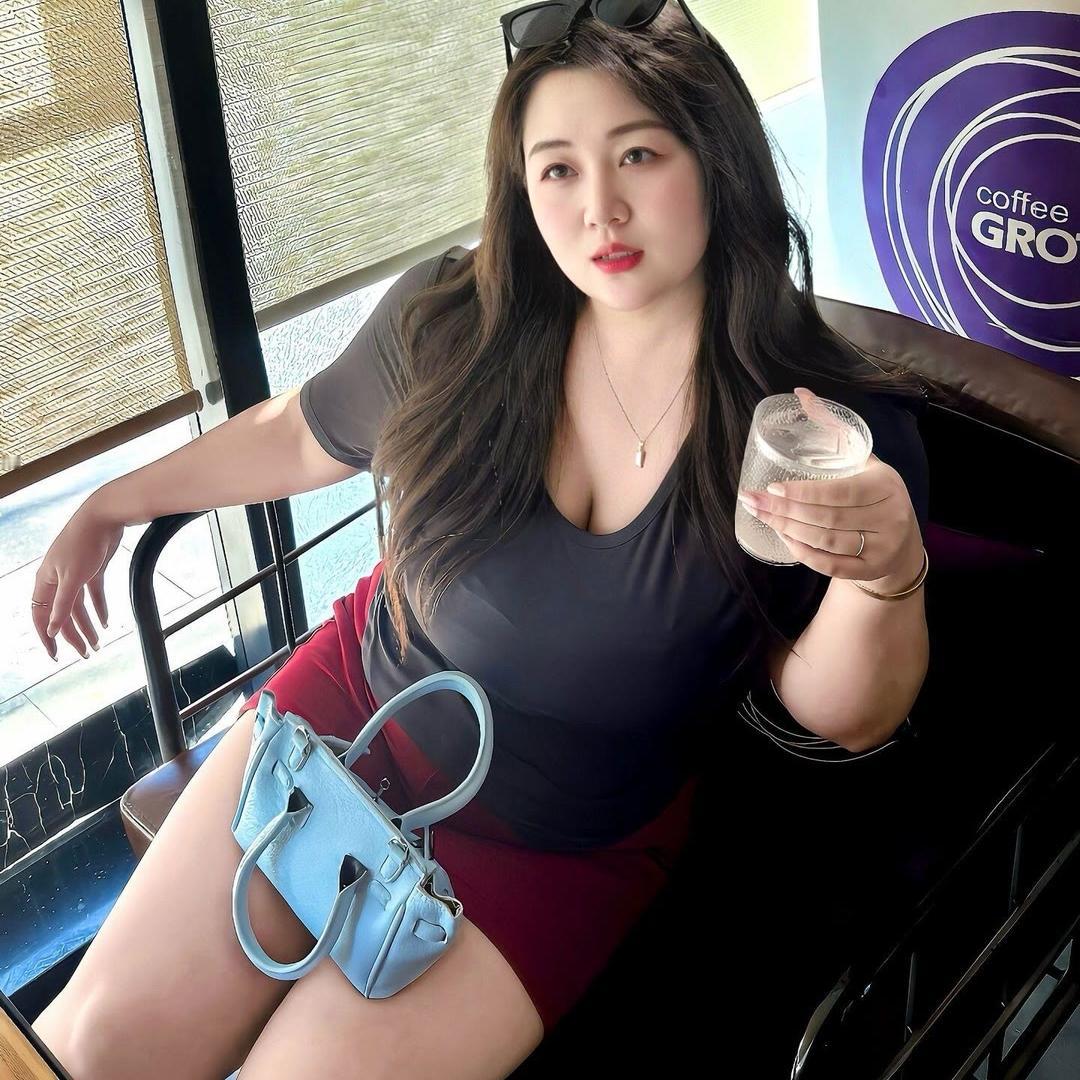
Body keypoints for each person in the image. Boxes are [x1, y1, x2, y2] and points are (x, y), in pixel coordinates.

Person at [29, 2, 931, 1076]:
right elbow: (298, 434)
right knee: (89, 1046)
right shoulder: (457, 319)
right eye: (557, 169)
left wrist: (887, 575)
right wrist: (113, 500)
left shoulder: (816, 431)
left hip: (551, 841)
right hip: (348, 718)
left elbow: (843, 711)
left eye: (639, 154)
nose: (600, 208)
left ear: (717, 155)